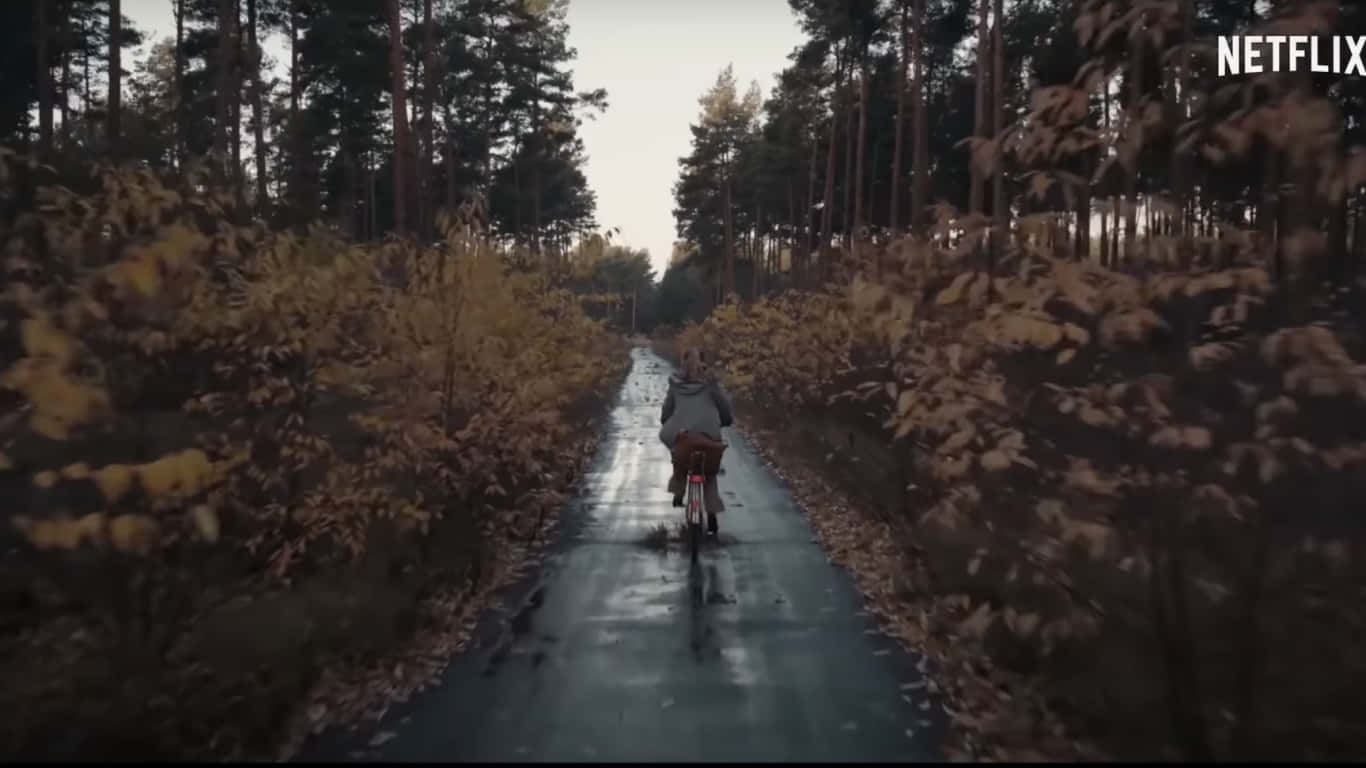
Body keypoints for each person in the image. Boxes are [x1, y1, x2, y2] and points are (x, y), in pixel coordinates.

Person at [659, 347, 733, 535]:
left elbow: (668, 408)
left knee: (678, 452)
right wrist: (726, 420)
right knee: (709, 470)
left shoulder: (675, 383)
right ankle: (712, 513)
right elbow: (723, 405)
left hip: (682, 433)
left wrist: (666, 420)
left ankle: (679, 486)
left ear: (682, 363)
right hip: (708, 434)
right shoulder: (711, 384)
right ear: (703, 363)